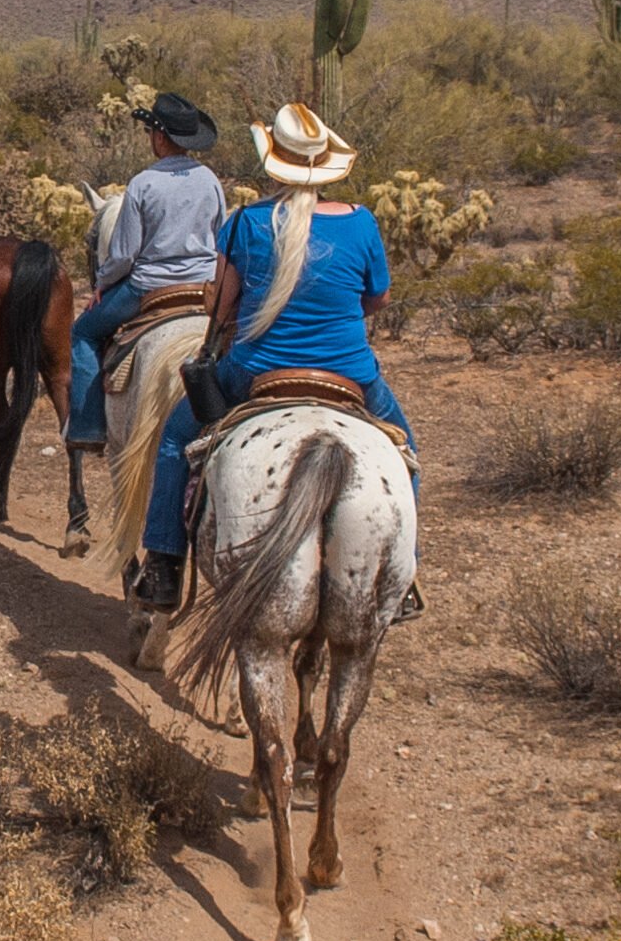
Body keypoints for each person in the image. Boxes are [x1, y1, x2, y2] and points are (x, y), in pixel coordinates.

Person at [130, 102, 418, 614]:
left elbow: (218, 306)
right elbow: (379, 300)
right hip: (351, 373)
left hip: (256, 369)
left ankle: (164, 565)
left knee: (176, 439)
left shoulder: (246, 223)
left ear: (273, 162)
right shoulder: (362, 222)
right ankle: (405, 573)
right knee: (406, 449)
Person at [64, 91, 224, 449]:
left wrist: (102, 284)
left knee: (83, 334)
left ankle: (88, 427)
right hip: (203, 287)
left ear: (160, 136)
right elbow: (219, 235)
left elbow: (123, 254)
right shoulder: (210, 180)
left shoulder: (143, 183)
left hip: (149, 287)